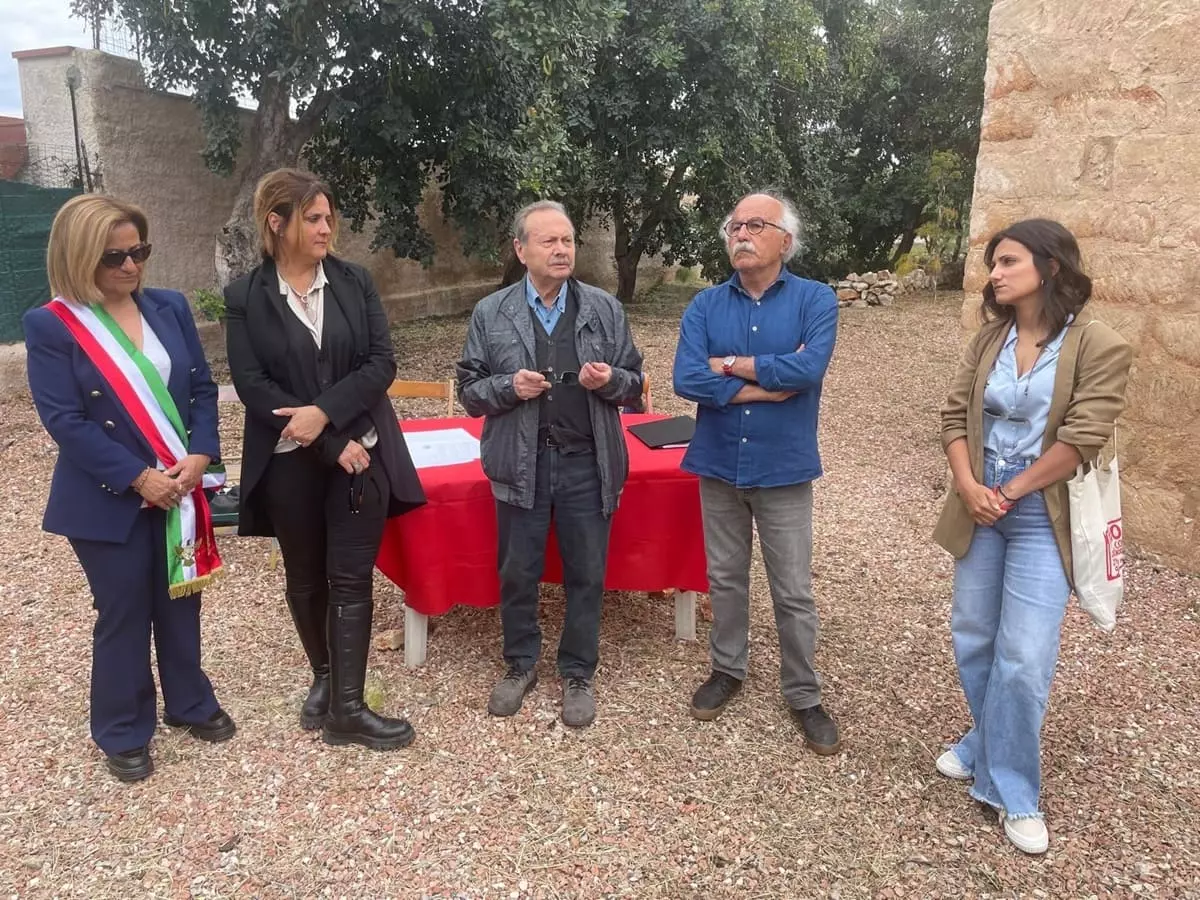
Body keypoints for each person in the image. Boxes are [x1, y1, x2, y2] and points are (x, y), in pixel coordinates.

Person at [933, 219, 1132, 854]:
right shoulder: (989, 338)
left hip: (1042, 512)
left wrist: (1009, 492)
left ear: (1050, 267)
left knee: (1023, 655)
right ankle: (985, 739)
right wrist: (970, 486)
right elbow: (953, 416)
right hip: (981, 503)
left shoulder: (1099, 344)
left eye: (1008, 261)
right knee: (973, 636)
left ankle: (1014, 790)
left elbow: (1084, 436)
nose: (994, 273)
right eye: (994, 263)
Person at [24, 195, 234, 783]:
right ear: (79, 255)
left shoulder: (169, 306)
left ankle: (188, 702)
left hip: (180, 482)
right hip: (107, 495)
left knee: (181, 597)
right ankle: (122, 727)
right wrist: (138, 477)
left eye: (139, 251)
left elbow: (201, 389)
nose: (131, 265)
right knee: (124, 609)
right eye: (114, 256)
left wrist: (200, 454)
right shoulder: (52, 324)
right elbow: (65, 420)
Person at [224, 168, 426, 750]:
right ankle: (325, 675)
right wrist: (325, 441)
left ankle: (348, 710)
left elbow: (380, 363)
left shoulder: (354, 282)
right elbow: (253, 385)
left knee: (351, 577)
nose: (325, 228)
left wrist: (327, 415)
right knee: (306, 577)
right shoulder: (245, 298)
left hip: (363, 457)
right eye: (312, 218)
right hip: (290, 463)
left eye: (328, 217)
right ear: (276, 222)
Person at [456, 200, 644, 728]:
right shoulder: (491, 313)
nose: (562, 250)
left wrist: (610, 381)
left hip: (587, 463)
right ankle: (519, 665)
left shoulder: (604, 309)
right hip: (521, 464)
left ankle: (578, 671)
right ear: (521, 250)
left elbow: (634, 383)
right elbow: (469, 391)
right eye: (549, 241)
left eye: (567, 240)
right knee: (518, 572)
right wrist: (508, 387)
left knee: (587, 572)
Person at [672, 190, 842, 755]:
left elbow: (808, 368)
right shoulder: (704, 305)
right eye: (735, 226)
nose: (741, 234)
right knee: (725, 579)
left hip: (783, 467)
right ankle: (727, 669)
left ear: (785, 241)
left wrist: (725, 366)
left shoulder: (815, 299)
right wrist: (763, 385)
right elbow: (685, 378)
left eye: (755, 225)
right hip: (718, 462)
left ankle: (804, 694)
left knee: (792, 589)